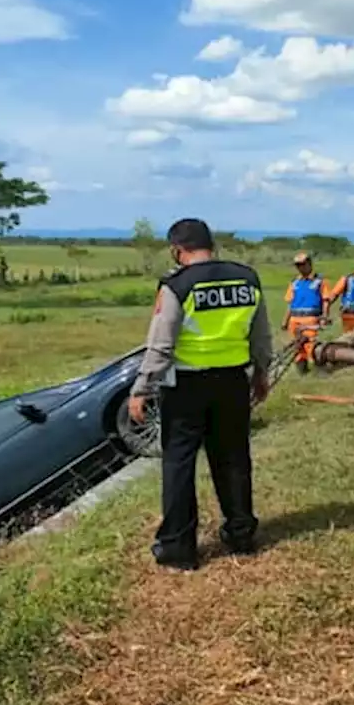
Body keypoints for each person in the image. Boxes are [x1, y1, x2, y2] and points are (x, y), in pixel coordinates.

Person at [128, 218, 275, 571]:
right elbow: (261, 335)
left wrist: (141, 388)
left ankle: (179, 548)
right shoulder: (247, 279)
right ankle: (241, 534)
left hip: (187, 388)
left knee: (179, 464)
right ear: (212, 244)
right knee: (234, 459)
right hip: (234, 383)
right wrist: (262, 372)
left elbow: (161, 346)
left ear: (177, 251)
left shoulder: (177, 285)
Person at [282, 252, 330, 374]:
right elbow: (290, 302)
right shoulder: (294, 282)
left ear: (309, 264)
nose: (300, 267)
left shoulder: (319, 281)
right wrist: (285, 320)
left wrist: (324, 316)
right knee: (297, 346)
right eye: (298, 265)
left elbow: (326, 300)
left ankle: (320, 368)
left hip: (311, 318)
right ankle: (302, 371)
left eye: (303, 264)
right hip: (295, 317)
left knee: (310, 344)